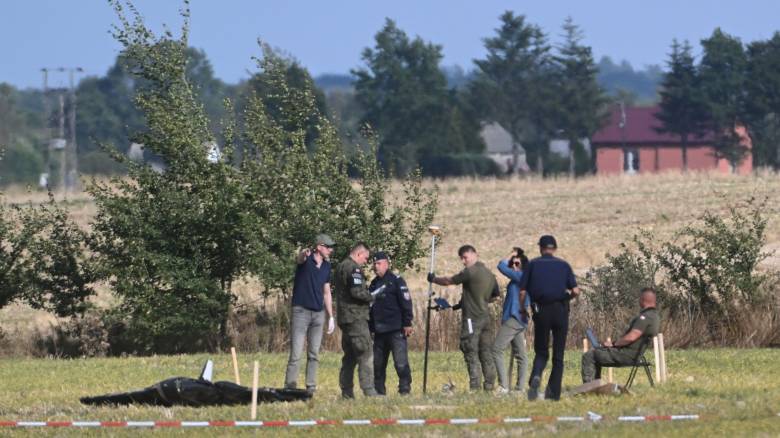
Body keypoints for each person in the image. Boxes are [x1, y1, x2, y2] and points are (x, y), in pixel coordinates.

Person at [429, 245, 499, 391]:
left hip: (472, 319)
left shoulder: (470, 272)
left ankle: (475, 387)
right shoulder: (489, 274)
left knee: (470, 349)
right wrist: (470, 302)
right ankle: (489, 386)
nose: (463, 261)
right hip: (486, 317)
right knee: (486, 351)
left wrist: (433, 279)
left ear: (474, 254)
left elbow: (449, 281)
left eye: (465, 257)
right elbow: (494, 296)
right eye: (461, 258)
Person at [519, 235, 580, 401]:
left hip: (541, 310)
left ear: (541, 248)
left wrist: (522, 309)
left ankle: (537, 375)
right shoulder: (563, 265)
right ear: (555, 248)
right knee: (558, 355)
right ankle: (553, 394)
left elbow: (523, 291)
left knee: (541, 350)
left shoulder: (532, 265)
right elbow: (575, 290)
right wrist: (567, 299)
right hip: (560, 310)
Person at [283, 234, 336, 395]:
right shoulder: (306, 260)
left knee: (314, 353)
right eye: (328, 247)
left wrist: (331, 316)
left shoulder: (327, 267)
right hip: (301, 312)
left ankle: (311, 387)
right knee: (296, 353)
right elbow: (299, 259)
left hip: (318, 314)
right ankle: (290, 387)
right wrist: (302, 253)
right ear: (319, 247)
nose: (330, 250)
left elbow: (326, 292)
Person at [581, 287, 660, 383]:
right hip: (635, 354)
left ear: (643, 300)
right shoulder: (655, 316)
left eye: (639, 298)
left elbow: (631, 337)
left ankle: (589, 388)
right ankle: (596, 386)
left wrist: (613, 344)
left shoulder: (645, 317)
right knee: (597, 352)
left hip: (627, 354)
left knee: (590, 355)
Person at [335, 242, 380, 398]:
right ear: (359, 254)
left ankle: (346, 392)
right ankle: (369, 390)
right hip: (356, 317)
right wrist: (372, 296)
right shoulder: (353, 268)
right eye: (366, 258)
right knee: (365, 353)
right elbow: (357, 292)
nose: (366, 262)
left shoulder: (341, 266)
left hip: (345, 317)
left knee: (350, 356)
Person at [368, 252, 413, 395]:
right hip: (379, 331)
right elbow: (370, 307)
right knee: (378, 365)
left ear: (387, 264)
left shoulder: (396, 281)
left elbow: (406, 302)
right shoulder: (374, 284)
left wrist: (407, 322)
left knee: (400, 363)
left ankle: (404, 390)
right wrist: (370, 328)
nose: (376, 266)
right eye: (374, 264)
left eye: (379, 263)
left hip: (396, 329)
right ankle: (379, 392)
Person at [492, 247, 531, 394]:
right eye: (513, 263)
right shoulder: (520, 278)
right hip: (519, 319)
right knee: (521, 354)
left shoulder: (521, 276)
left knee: (496, 349)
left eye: (516, 263)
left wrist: (511, 255)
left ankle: (503, 386)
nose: (513, 266)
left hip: (514, 318)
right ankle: (520, 388)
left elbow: (501, 266)